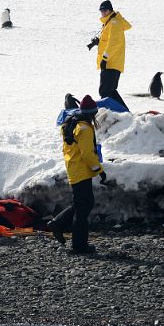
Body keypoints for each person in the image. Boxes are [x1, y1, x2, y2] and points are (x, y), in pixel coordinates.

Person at [47, 94, 105, 255]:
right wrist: (99, 170)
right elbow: (87, 154)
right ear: (92, 113)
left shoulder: (72, 124)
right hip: (81, 171)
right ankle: (79, 246)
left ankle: (57, 223)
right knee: (83, 209)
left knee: (82, 203)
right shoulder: (85, 129)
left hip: (73, 169)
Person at [91, 0, 132, 111]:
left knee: (106, 91)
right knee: (109, 91)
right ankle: (124, 113)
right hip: (110, 62)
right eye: (101, 10)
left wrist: (105, 58)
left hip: (111, 62)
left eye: (105, 10)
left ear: (110, 10)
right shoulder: (110, 23)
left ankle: (122, 114)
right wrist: (98, 42)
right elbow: (108, 41)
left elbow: (113, 43)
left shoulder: (114, 23)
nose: (103, 13)